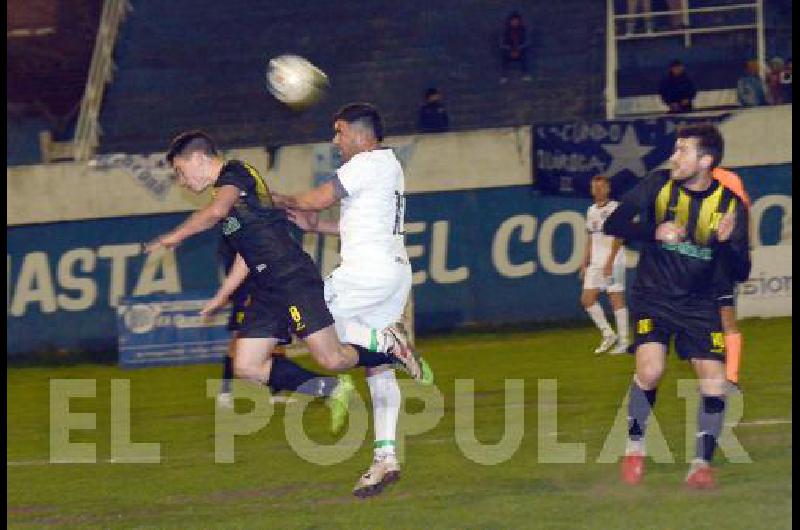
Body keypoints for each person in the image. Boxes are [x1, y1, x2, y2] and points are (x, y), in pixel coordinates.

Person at [146, 131, 430, 433]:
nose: (182, 181)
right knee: (246, 365)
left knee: (333, 358)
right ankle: (328, 389)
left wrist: (174, 237)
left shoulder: (235, 173)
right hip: (266, 287)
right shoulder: (232, 198)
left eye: (180, 170)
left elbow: (215, 213)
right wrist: (223, 295)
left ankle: (391, 348)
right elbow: (247, 254)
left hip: (291, 278)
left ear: (200, 158)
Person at [273, 103, 422, 498]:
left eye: (339, 132)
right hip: (390, 271)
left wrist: (274, 198)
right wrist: (315, 226)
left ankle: (388, 342)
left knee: (312, 326)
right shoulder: (387, 166)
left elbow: (318, 197)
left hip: (365, 274)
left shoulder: (366, 162)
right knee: (378, 369)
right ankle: (386, 456)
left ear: (359, 134)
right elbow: (355, 225)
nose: (335, 141)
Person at [604, 123, 751, 489]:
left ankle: (701, 465)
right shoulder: (658, 185)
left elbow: (740, 271)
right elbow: (614, 221)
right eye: (675, 149)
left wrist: (728, 243)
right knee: (651, 371)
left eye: (682, 150)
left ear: (706, 160)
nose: (673, 157)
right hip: (653, 296)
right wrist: (652, 232)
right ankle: (634, 447)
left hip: (700, 303)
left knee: (715, 384)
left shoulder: (729, 207)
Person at [711, 167, 752, 393]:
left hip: (720, 265)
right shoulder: (683, 179)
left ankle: (731, 378)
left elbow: (744, 211)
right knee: (703, 326)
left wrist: (742, 252)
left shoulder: (726, 179)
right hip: (694, 267)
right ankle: (715, 375)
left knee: (726, 321)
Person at [579, 175, 629, 355]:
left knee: (615, 298)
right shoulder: (591, 210)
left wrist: (610, 261)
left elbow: (619, 236)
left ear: (608, 189)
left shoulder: (615, 208)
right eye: (594, 187)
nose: (597, 190)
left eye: (601, 187)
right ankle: (608, 334)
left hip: (613, 260)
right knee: (587, 299)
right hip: (596, 262)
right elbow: (591, 237)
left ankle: (624, 342)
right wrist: (584, 262)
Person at [499, 12, 531, 83]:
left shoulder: (523, 30)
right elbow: (502, 43)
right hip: (509, 51)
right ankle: (504, 76)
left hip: (520, 50)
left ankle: (525, 74)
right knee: (503, 57)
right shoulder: (506, 31)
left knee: (526, 56)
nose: (515, 22)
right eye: (513, 21)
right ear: (510, 21)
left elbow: (527, 42)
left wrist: (518, 49)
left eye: (516, 21)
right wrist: (510, 50)